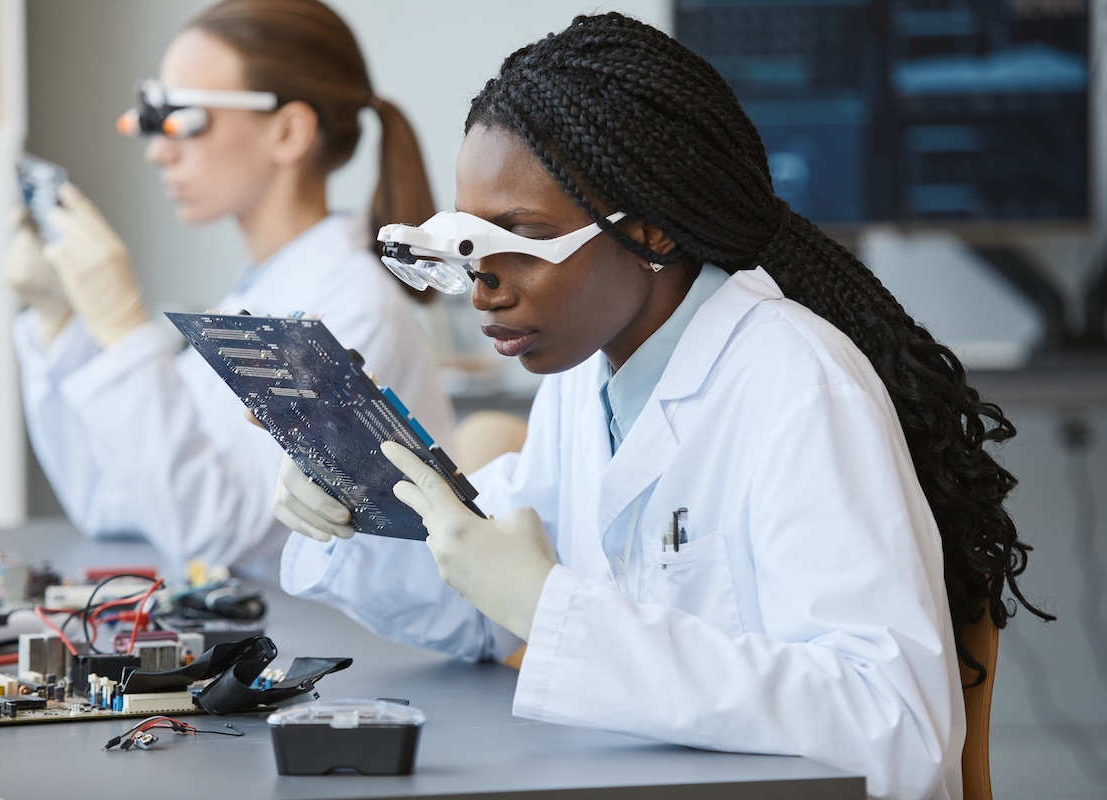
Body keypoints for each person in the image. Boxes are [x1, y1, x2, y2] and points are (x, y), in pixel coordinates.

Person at [272, 13, 1052, 800]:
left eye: (522, 239)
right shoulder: (585, 378)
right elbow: (484, 609)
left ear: (648, 230)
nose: (484, 285)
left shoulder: (799, 385)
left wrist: (555, 611)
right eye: (472, 244)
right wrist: (361, 503)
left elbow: (898, 731)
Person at [4, 0, 455, 581]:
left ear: (288, 131)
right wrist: (59, 320)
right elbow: (111, 502)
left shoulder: (350, 306)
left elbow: (217, 531)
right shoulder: (263, 289)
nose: (158, 148)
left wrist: (123, 331)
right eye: (153, 118)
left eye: (183, 118)